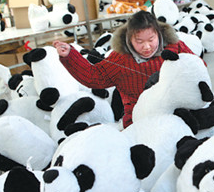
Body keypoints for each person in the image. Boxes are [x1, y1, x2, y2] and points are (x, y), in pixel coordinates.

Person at [53, 10, 194, 128]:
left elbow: (197, 68)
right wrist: (69, 55)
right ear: (129, 39)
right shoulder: (121, 58)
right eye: (139, 41)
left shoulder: (175, 47)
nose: (146, 46)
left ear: (158, 33)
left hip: (175, 113)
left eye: (151, 39)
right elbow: (94, 76)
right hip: (138, 119)